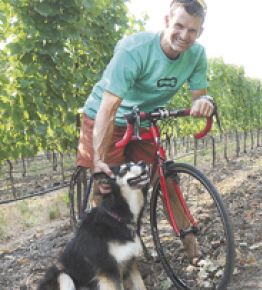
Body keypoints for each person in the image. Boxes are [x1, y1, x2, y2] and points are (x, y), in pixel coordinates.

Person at [76, 0, 210, 265]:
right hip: (106, 116)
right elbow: (109, 107)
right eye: (179, 26)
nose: (184, 36)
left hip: (143, 120)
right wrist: (100, 160)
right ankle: (107, 259)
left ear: (200, 32)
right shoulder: (134, 49)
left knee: (163, 180)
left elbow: (198, 97)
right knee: (108, 187)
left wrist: (202, 104)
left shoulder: (197, 55)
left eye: (192, 31)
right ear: (166, 22)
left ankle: (194, 252)